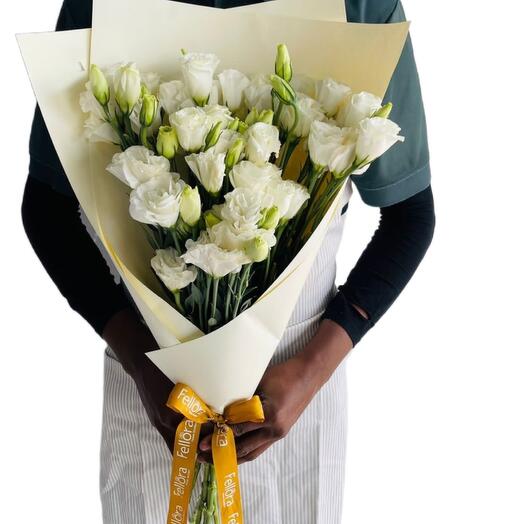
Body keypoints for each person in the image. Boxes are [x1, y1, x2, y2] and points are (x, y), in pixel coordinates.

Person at [21, 0, 435, 522]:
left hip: (296, 395)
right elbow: (47, 210)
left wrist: (311, 371)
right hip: (154, 399)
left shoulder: (361, 5)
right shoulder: (99, 2)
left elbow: (410, 216)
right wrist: (141, 363)